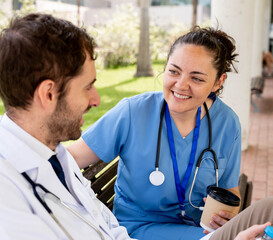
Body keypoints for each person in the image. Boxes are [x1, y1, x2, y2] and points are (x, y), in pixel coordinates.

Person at [0, 13, 132, 240]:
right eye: (87, 87)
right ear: (48, 94)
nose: (96, 100)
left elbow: (106, 228)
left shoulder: (53, 153)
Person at [68, 27, 242, 239]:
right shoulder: (133, 112)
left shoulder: (227, 123)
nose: (181, 85)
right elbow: (72, 158)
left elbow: (231, 191)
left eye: (196, 78)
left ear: (218, 82)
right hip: (138, 229)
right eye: (174, 71)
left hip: (200, 229)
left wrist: (226, 216)